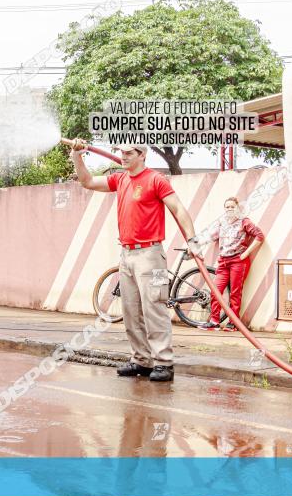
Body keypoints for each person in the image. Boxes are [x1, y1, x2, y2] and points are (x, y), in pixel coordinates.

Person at [70, 141, 201, 382]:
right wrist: (78, 157)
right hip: (127, 255)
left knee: (155, 309)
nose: (123, 156)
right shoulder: (120, 180)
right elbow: (87, 182)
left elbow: (179, 209)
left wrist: (193, 240)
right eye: (121, 152)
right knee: (130, 311)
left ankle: (164, 362)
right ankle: (141, 359)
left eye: (129, 153)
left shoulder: (156, 180)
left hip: (151, 255)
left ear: (142, 155)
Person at [199, 196, 265, 332]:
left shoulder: (244, 222)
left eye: (232, 207)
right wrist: (195, 244)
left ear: (237, 208)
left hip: (238, 261)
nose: (229, 209)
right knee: (215, 291)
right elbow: (211, 236)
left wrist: (245, 254)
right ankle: (214, 321)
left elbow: (259, 236)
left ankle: (233, 323)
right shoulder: (222, 222)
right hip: (223, 261)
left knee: (235, 293)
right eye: (227, 207)